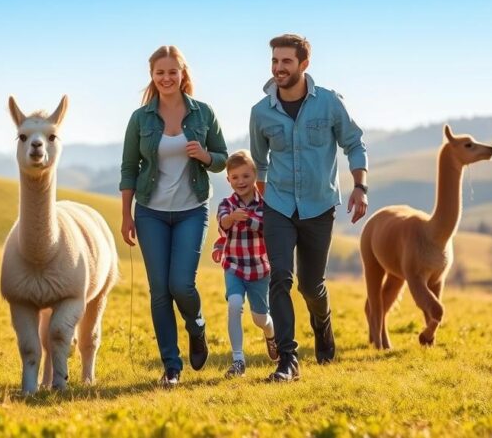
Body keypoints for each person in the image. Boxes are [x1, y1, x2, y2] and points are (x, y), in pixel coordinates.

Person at [249, 33, 369, 382]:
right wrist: (263, 201)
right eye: (275, 61)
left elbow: (354, 143)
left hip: (318, 206)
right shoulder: (260, 112)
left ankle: (323, 328)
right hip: (279, 206)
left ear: (304, 64)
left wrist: (360, 186)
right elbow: (259, 163)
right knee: (280, 278)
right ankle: (288, 361)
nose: (279, 68)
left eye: (286, 61)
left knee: (311, 285)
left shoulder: (329, 103)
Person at [120, 45, 228, 387]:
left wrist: (206, 156)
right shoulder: (140, 119)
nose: (166, 78)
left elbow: (223, 157)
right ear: (152, 76)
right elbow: (128, 168)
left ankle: (196, 327)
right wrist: (126, 215)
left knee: (181, 284)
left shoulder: (203, 113)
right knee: (159, 291)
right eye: (159, 73)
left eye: (172, 72)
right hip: (150, 211)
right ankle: (171, 366)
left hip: (191, 210)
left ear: (183, 74)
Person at [212, 150, 278, 378]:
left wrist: (248, 220)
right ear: (228, 179)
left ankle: (271, 334)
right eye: (235, 177)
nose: (241, 182)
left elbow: (267, 227)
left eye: (246, 176)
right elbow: (222, 224)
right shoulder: (226, 204)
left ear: (254, 176)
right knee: (234, 303)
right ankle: (238, 359)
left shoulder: (265, 204)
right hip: (234, 266)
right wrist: (230, 219)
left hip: (260, 269)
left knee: (260, 318)